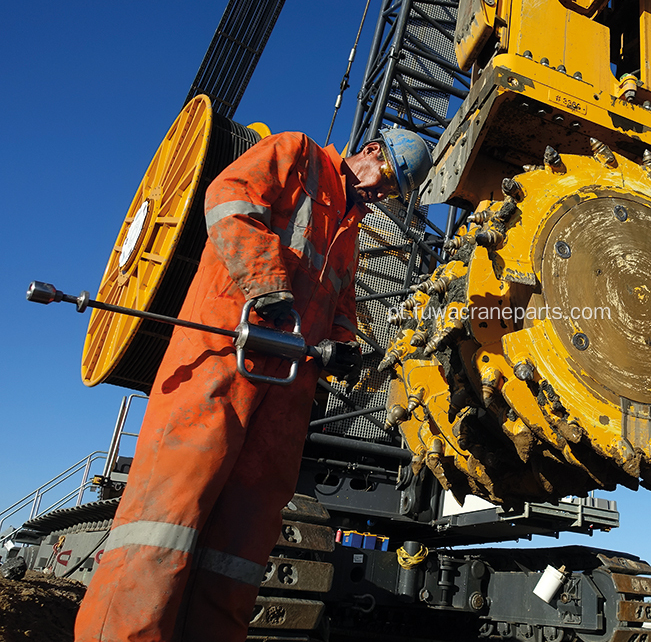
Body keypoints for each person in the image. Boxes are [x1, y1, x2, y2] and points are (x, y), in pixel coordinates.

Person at [75, 127, 432, 642]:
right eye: (389, 183)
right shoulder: (299, 154)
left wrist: (344, 345)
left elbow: (343, 297)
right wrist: (268, 285)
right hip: (224, 355)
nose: (383, 196)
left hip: (286, 388)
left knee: (242, 543)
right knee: (167, 515)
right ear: (372, 151)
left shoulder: (351, 228)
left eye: (394, 195)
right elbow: (227, 197)